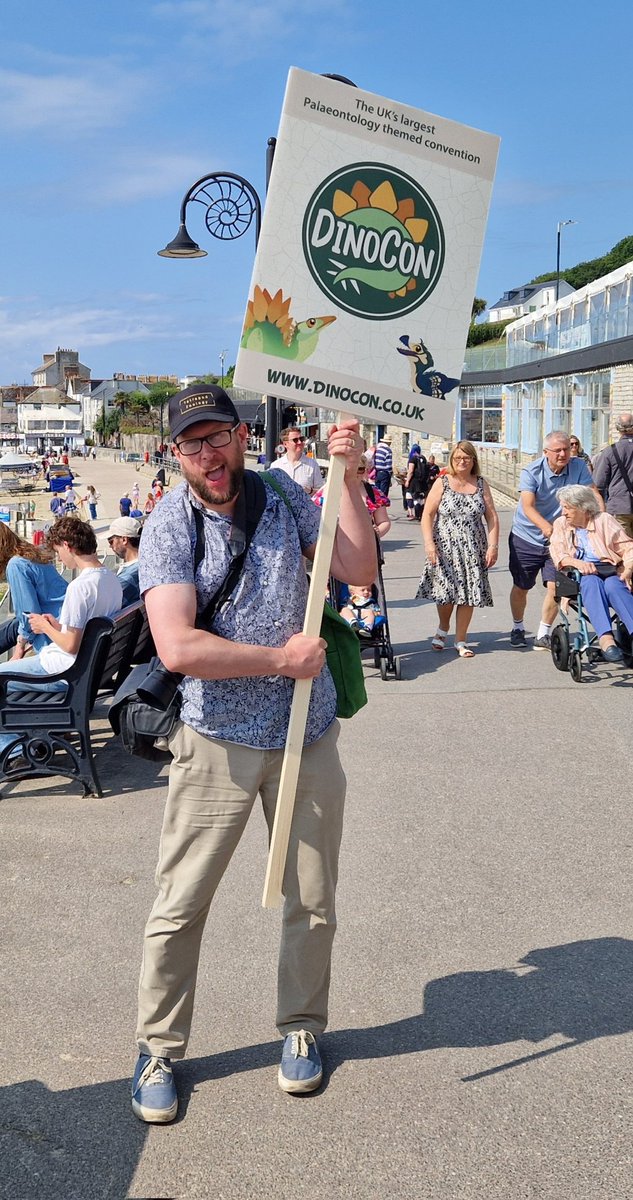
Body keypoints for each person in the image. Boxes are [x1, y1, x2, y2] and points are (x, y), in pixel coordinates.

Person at [131, 383, 375, 1123]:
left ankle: (302, 1028)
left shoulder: (278, 494)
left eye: (218, 436)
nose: (207, 453)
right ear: (174, 452)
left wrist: (350, 477)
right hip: (216, 743)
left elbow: (356, 568)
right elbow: (177, 646)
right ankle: (158, 1048)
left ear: (242, 436)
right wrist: (279, 659)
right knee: (179, 905)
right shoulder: (170, 523)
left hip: (309, 733)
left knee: (313, 898)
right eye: (191, 442)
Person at [0, 518, 122, 756]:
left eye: (58, 551)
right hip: (89, 667)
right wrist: (54, 624)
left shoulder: (79, 587)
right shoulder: (110, 579)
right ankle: (38, 736)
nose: (59, 559)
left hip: (63, 668)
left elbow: (69, 644)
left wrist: (43, 629)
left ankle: (15, 752)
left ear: (67, 546)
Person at [508, 430, 599, 649]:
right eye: (557, 450)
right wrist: (547, 528)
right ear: (545, 452)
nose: (563, 454)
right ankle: (518, 627)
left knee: (555, 586)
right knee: (522, 586)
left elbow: (593, 494)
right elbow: (528, 506)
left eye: (566, 449)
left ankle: (543, 633)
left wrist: (600, 519)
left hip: (561, 539)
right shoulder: (532, 471)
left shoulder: (577, 467)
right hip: (527, 536)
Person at [417, 440, 499, 657]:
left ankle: (461, 640)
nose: (462, 462)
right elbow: (427, 514)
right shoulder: (442, 482)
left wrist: (493, 546)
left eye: (466, 458)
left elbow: (491, 517)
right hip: (445, 546)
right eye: (457, 458)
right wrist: (429, 544)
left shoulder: (481, 484)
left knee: (468, 594)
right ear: (452, 460)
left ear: (473, 460)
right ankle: (443, 627)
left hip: (473, 547)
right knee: (445, 594)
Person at [550, 484, 633, 662]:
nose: (563, 512)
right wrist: (576, 562)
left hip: (610, 570)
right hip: (581, 575)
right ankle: (606, 639)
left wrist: (628, 569)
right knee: (591, 583)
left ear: (583, 507)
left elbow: (628, 547)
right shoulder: (561, 524)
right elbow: (557, 552)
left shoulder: (604, 520)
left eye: (567, 507)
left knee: (614, 586)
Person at [0, 524, 68, 659]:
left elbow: (29, 614)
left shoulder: (16, 565)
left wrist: (19, 649)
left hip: (52, 640)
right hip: (63, 625)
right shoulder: (32, 556)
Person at [593, 413, 633, 538]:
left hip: (619, 505)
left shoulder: (610, 451)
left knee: (623, 546)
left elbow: (598, 482)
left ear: (617, 429)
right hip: (620, 505)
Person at [270, 426, 324, 494]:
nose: (299, 442)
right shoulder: (276, 466)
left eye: (301, 439)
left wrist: (310, 491)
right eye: (295, 440)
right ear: (285, 444)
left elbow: (321, 492)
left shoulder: (312, 464)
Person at [106, 517, 141, 605]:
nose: (110, 546)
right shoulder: (147, 563)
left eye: (111, 541)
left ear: (124, 540)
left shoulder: (129, 576)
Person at [404, 445, 428, 521]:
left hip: (414, 481)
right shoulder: (423, 458)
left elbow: (411, 471)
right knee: (420, 498)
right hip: (422, 481)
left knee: (413, 497)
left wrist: (407, 481)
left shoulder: (413, 458)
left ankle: (415, 514)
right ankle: (421, 514)